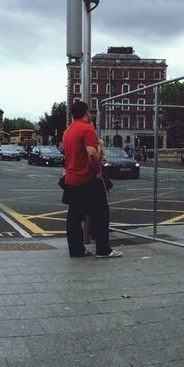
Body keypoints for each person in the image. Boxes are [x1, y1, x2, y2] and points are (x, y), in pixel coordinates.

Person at [62, 100, 121, 258]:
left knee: (74, 216)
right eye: (89, 112)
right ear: (87, 112)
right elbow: (92, 154)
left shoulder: (67, 132)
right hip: (87, 178)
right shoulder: (87, 129)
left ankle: (76, 250)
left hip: (71, 179)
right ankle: (103, 250)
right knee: (101, 213)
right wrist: (99, 171)